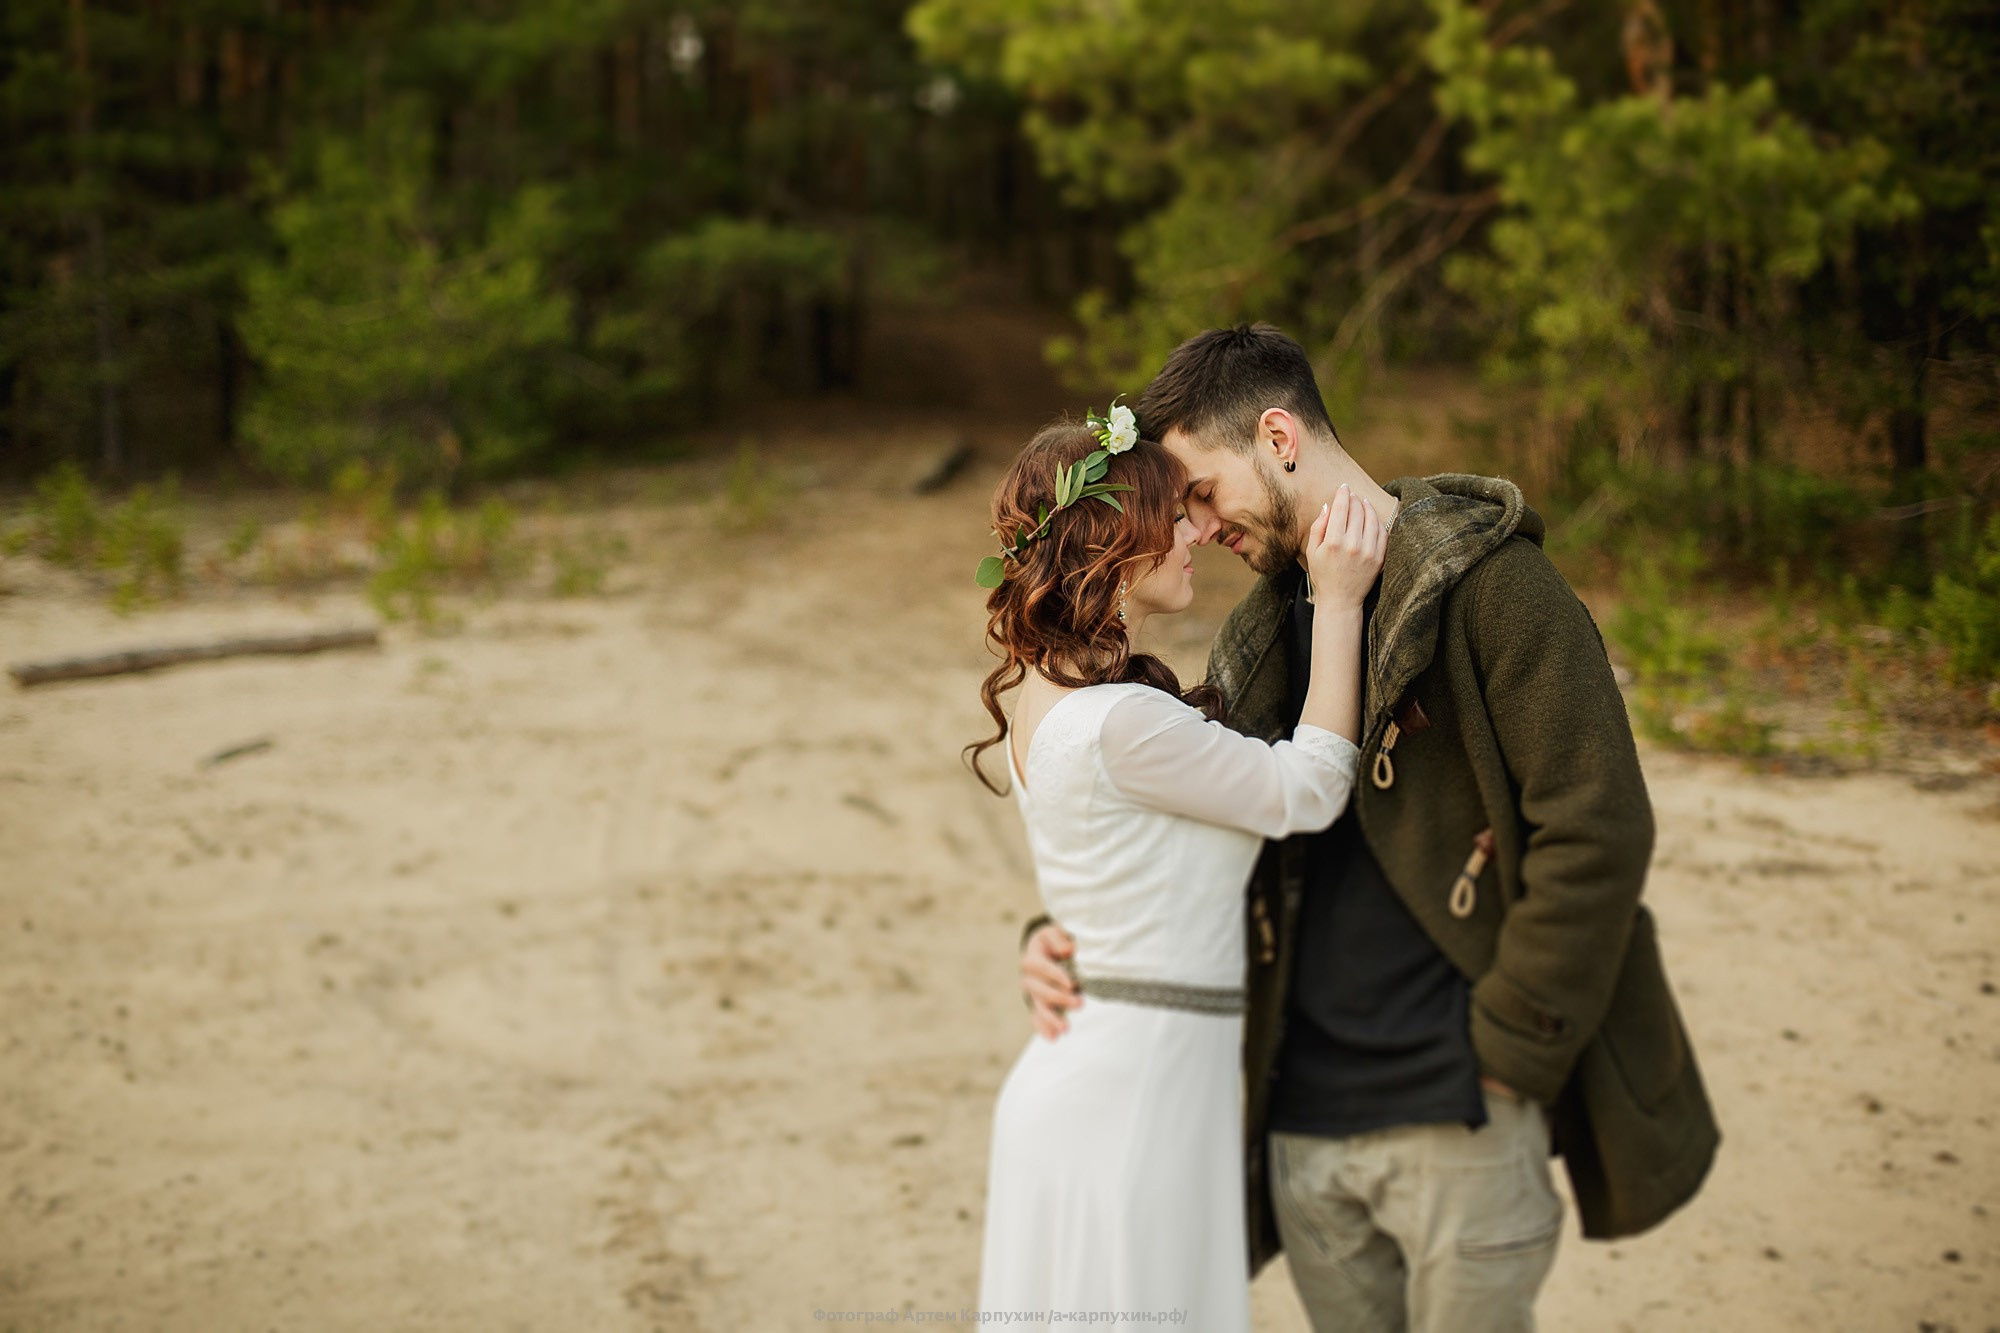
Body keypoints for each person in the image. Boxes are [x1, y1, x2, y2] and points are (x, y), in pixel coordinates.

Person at [1020, 325, 1720, 1333]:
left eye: (1201, 492)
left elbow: (1594, 828)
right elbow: (1161, 813)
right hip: (1302, 1132)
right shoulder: (1260, 629)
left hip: (1457, 1113)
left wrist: (1508, 1053)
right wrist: (1055, 939)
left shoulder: (1498, 591)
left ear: (1277, 436)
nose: (1194, 525)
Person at [967, 415, 1387, 1332]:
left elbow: (1110, 879)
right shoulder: (1120, 720)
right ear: (1113, 540)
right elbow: (1307, 789)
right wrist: (1343, 600)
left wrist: (1041, 940)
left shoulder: (1054, 698)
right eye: (1176, 513)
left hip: (1114, 1075)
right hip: (1135, 1098)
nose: (1198, 530)